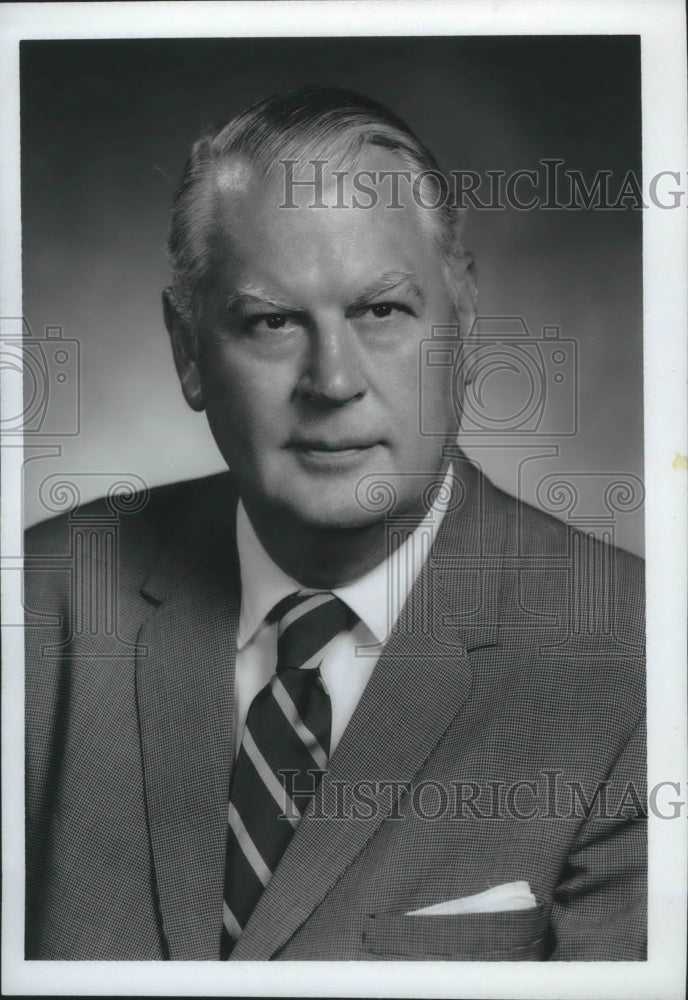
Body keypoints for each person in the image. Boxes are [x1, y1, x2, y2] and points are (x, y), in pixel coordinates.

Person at [24, 86, 646, 961]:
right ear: (185, 351)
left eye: (380, 311)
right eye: (272, 322)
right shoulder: (39, 604)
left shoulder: (641, 663)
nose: (334, 380)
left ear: (463, 319)